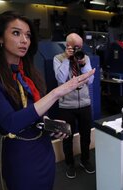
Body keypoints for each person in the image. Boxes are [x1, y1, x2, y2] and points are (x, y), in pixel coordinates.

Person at [0, 11, 95, 190]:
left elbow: (34, 111)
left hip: (44, 150)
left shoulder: (28, 72)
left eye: (28, 35)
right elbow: (10, 123)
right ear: (0, 38)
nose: (24, 40)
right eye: (16, 33)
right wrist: (57, 92)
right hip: (21, 157)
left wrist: (47, 123)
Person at [53, 32, 95, 179]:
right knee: (67, 137)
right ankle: (70, 164)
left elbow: (90, 80)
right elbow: (61, 79)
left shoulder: (85, 57)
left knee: (86, 135)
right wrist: (67, 59)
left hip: (84, 103)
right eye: (76, 47)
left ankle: (85, 160)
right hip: (66, 106)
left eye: (80, 47)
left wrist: (83, 64)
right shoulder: (58, 58)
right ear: (68, 46)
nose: (79, 50)